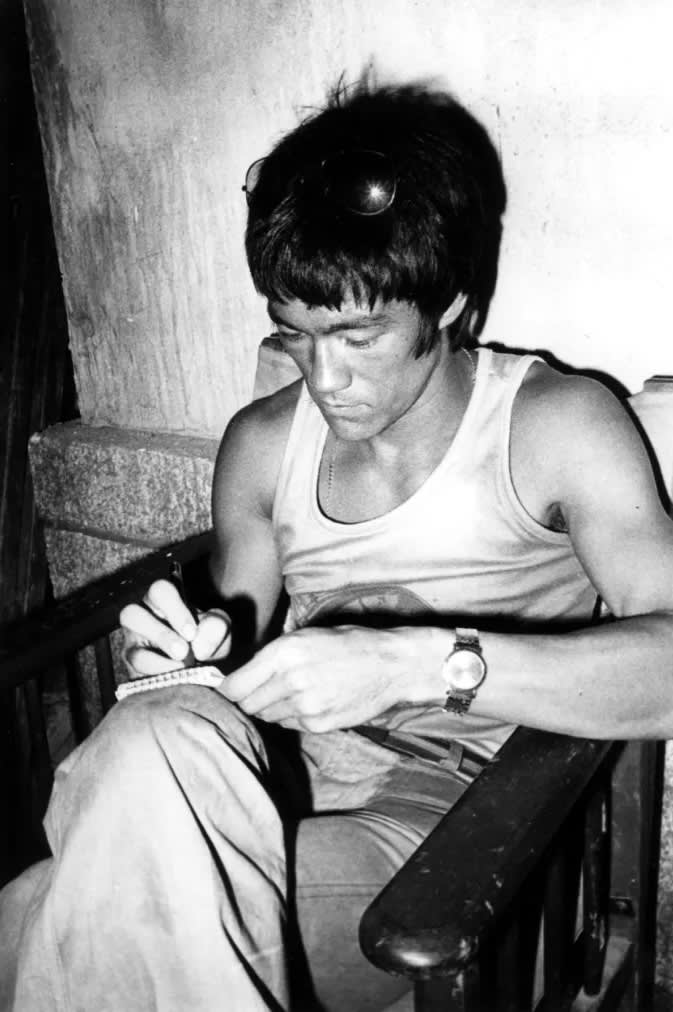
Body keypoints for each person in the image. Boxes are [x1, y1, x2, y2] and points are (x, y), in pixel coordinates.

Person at [2, 79, 673, 1012]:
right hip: (271, 778)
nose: (324, 379)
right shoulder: (263, 444)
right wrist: (188, 658)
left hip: (465, 817)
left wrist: (417, 664)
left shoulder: (555, 426)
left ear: (448, 306)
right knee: (148, 737)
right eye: (294, 335)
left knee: (41, 924)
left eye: (358, 335)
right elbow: (233, 628)